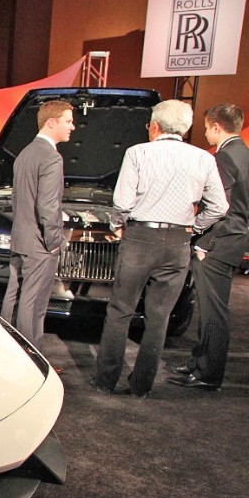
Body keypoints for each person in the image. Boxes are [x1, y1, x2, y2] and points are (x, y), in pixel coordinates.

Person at [91, 99, 228, 398]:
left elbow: (122, 202)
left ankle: (105, 380)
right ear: (185, 128)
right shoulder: (203, 158)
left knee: (120, 310)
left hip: (140, 238)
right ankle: (141, 386)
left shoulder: (138, 152)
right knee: (159, 317)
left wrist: (117, 225)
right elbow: (220, 206)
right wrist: (194, 227)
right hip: (178, 242)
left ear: (154, 126)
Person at [167, 103, 248, 390]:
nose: (204, 133)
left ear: (216, 126)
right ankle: (198, 363)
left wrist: (203, 242)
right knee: (213, 309)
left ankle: (207, 373)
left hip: (217, 244)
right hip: (233, 241)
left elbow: (219, 206)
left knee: (213, 312)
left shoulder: (224, 157)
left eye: (205, 128)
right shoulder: (244, 154)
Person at [0, 100, 74, 350]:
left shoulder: (24, 154)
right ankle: (31, 358)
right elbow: (48, 206)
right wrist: (54, 242)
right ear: (51, 122)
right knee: (34, 306)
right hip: (40, 244)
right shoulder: (51, 158)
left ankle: (9, 349)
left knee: (14, 297)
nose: (72, 127)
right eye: (68, 121)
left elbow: (17, 199)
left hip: (21, 238)